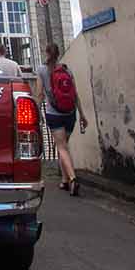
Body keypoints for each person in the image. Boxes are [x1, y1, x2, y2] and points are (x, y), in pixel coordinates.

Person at [36, 43, 87, 195]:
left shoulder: (41, 70)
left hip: (54, 114)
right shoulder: (67, 69)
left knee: (61, 147)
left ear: (46, 53)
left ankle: (72, 179)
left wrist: (37, 112)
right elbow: (75, 94)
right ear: (58, 54)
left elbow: (39, 95)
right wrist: (82, 115)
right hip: (70, 114)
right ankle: (64, 181)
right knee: (64, 146)